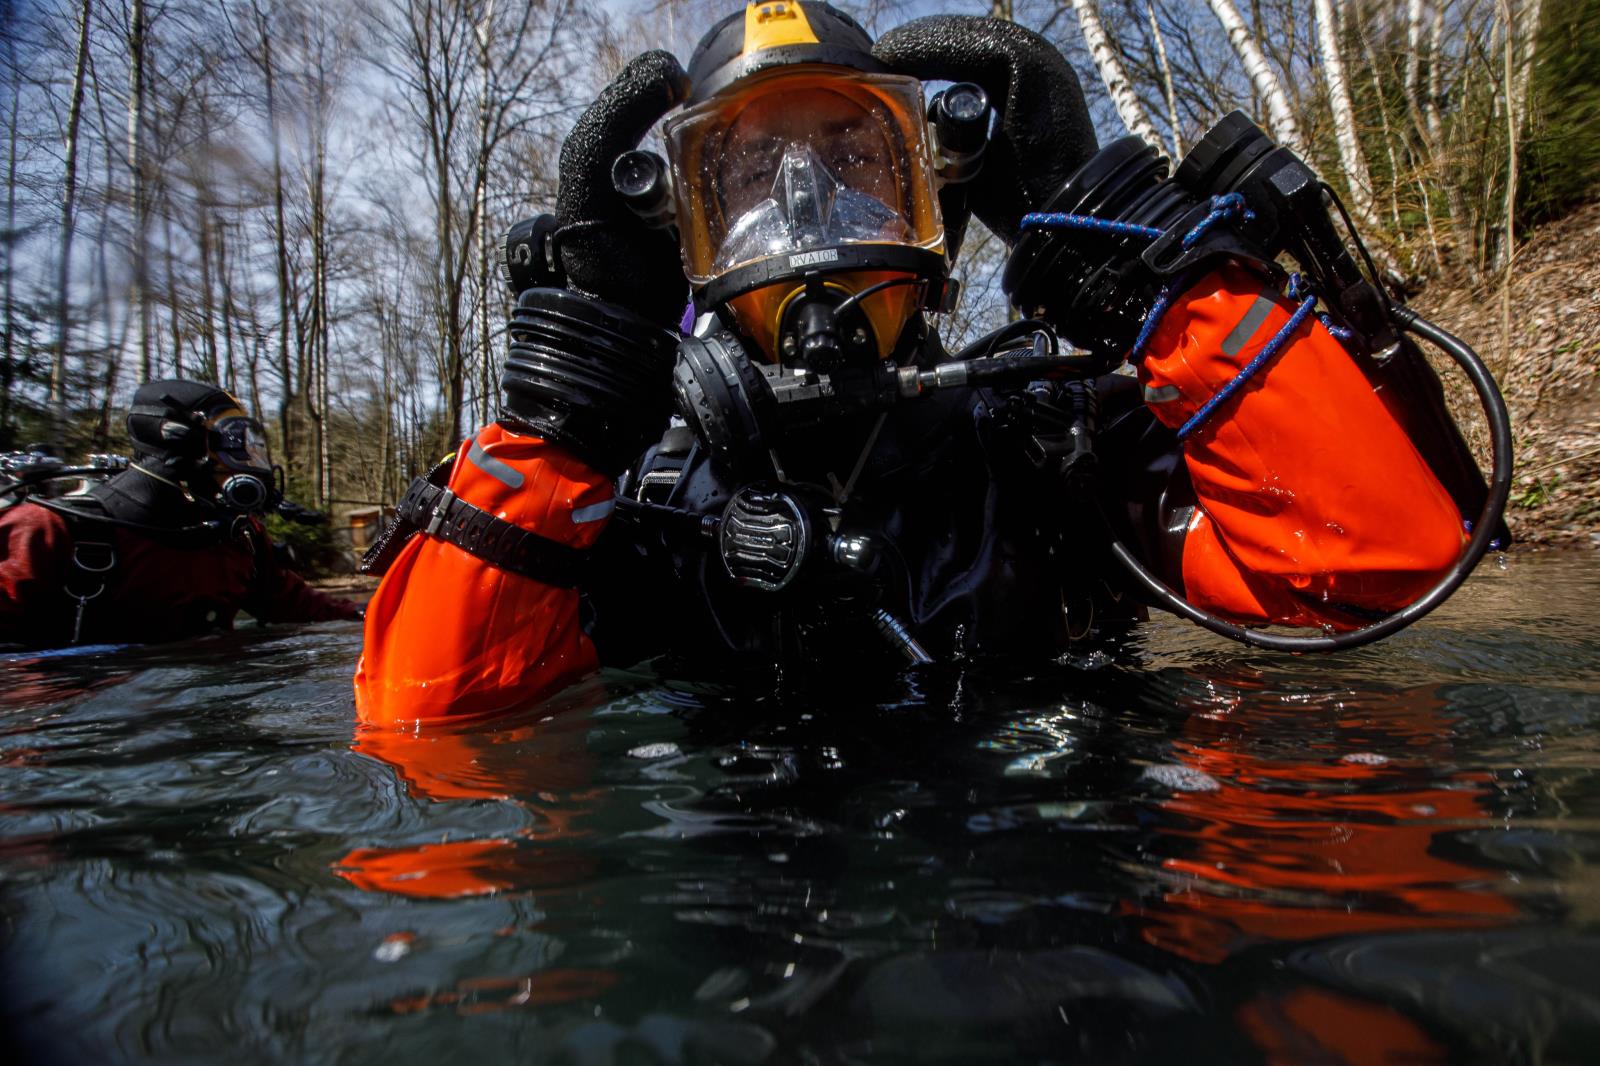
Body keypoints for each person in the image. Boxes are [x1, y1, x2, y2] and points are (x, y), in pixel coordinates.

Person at [354, 3, 1504, 727]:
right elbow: (431, 726)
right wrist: (564, 427)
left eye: (859, 162)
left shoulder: (1055, 444)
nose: (805, 215)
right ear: (684, 243)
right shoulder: (644, 504)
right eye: (747, 189)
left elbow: (1372, 576)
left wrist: (1137, 262)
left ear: (933, 205)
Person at [0, 379, 362, 648]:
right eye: (231, 441)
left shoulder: (238, 536)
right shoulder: (51, 530)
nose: (246, 460)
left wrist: (374, 612)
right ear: (178, 440)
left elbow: (294, 603)